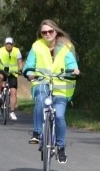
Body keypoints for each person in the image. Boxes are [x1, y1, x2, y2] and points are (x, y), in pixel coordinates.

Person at [22, 19, 80, 163]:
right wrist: (29, 73)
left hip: (61, 85)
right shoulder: (37, 46)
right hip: (42, 82)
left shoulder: (65, 46)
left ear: (55, 31)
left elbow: (72, 64)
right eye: (44, 32)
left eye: (50, 31)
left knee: (59, 116)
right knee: (41, 100)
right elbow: (28, 65)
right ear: (41, 34)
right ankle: (37, 132)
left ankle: (60, 148)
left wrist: (75, 70)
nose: (47, 34)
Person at [0, 37, 23, 121]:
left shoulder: (17, 51)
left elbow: (20, 62)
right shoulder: (0, 50)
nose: (9, 45)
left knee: (13, 92)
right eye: (7, 44)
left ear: (13, 44)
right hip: (3, 71)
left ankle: (12, 112)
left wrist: (20, 70)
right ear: (5, 44)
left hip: (13, 73)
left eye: (10, 44)